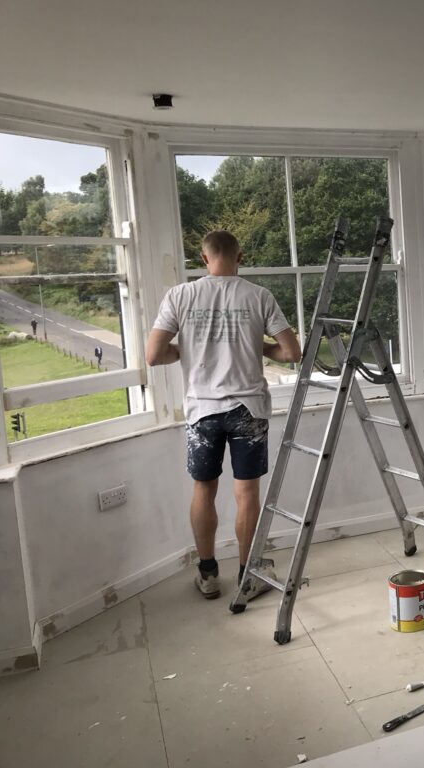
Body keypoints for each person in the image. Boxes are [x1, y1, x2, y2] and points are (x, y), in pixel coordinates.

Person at [145, 230, 301, 601]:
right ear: (239, 256)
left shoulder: (180, 295)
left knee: (204, 489)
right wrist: (257, 345)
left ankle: (208, 574)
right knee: (246, 493)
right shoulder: (258, 296)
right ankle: (248, 576)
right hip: (248, 410)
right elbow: (291, 353)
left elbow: (154, 355)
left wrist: (185, 351)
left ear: (204, 258)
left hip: (202, 411)